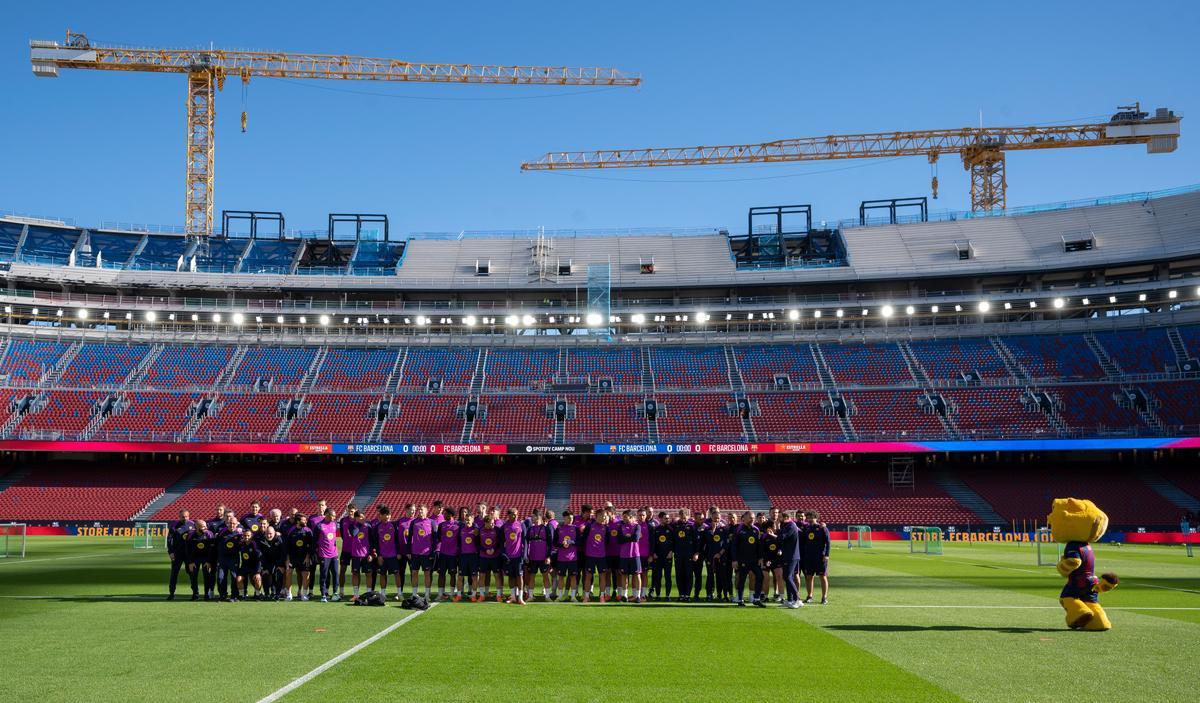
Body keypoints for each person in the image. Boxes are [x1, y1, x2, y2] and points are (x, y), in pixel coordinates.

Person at [731, 511, 765, 607]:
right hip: (742, 560)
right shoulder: (739, 529)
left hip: (754, 560)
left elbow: (759, 545)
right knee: (742, 579)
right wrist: (734, 560)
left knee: (760, 576)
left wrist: (760, 558)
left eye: (753, 518)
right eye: (750, 517)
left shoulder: (756, 530)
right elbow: (734, 546)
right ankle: (740, 600)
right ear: (744, 518)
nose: (752, 519)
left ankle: (756, 598)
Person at [801, 510, 830, 604]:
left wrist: (826, 555)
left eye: (811, 517)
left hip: (820, 557)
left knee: (823, 576)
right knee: (809, 577)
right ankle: (809, 596)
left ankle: (824, 597)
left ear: (816, 518)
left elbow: (828, 542)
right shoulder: (806, 528)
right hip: (809, 557)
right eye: (808, 517)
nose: (809, 519)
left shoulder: (822, 528)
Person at [372, 505, 401, 600]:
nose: (387, 517)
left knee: (397, 574)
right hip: (382, 556)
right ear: (380, 515)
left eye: (388, 515)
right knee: (382, 574)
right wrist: (379, 555)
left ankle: (399, 593)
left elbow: (397, 540)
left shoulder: (394, 525)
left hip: (393, 555)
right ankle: (383, 594)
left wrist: (398, 552)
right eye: (385, 515)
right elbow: (375, 543)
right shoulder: (376, 527)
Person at [776, 511, 803, 608]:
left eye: (780, 517)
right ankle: (790, 599)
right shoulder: (787, 526)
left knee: (787, 577)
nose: (778, 519)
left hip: (792, 556)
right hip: (788, 555)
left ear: (786, 517)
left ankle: (797, 599)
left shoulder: (791, 525)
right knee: (787, 577)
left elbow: (782, 537)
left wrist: (777, 528)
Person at [408, 505, 436, 599]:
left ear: (426, 511)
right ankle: (414, 594)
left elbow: (435, 539)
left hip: (427, 554)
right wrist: (409, 551)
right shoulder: (413, 522)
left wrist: (433, 552)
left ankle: (427, 594)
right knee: (414, 573)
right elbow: (409, 538)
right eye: (419, 509)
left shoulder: (431, 522)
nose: (420, 511)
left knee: (427, 574)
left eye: (422, 510)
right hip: (415, 553)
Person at [313, 507, 341, 603]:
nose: (334, 517)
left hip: (334, 554)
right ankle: (323, 595)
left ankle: (335, 593)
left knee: (335, 574)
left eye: (334, 516)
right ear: (327, 515)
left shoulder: (334, 524)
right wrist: (316, 554)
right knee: (324, 575)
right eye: (332, 515)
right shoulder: (319, 526)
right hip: (323, 555)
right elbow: (314, 541)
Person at [671, 509, 699, 603]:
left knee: (688, 575)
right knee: (679, 575)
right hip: (678, 554)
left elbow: (696, 541)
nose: (684, 516)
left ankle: (687, 595)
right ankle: (681, 594)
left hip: (689, 554)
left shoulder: (692, 526)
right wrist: (672, 551)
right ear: (679, 515)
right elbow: (672, 540)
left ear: (688, 515)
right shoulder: (675, 526)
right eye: (682, 514)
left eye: (685, 515)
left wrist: (696, 553)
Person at [525, 510, 553, 601]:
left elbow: (550, 544)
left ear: (538, 517)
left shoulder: (546, 528)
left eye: (533, 516)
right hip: (532, 557)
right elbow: (526, 542)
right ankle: (530, 596)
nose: (531, 518)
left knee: (545, 576)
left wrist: (548, 556)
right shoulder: (530, 529)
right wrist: (526, 555)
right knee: (532, 576)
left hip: (543, 557)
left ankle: (547, 596)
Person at [166, 509, 194, 601]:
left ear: (189, 516)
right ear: (179, 516)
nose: (185, 518)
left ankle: (195, 593)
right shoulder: (174, 525)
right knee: (174, 573)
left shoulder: (193, 524)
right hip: (177, 554)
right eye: (183, 516)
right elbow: (169, 540)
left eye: (186, 516)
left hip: (189, 554)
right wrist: (170, 552)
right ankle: (171, 593)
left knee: (191, 573)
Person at [344, 510, 372, 602]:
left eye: (364, 516)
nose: (363, 518)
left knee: (368, 574)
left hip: (366, 555)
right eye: (360, 517)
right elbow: (354, 533)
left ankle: (368, 594)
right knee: (355, 574)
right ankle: (356, 595)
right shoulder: (352, 526)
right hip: (355, 554)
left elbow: (373, 541)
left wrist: (371, 553)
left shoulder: (368, 526)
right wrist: (359, 524)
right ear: (356, 518)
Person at [617, 509, 644, 603]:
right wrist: (628, 537)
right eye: (623, 517)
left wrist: (627, 538)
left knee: (637, 575)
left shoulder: (637, 526)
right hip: (624, 555)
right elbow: (619, 540)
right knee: (624, 575)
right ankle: (624, 595)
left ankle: (637, 596)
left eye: (625, 517)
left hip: (635, 555)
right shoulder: (621, 527)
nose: (623, 518)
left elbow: (636, 538)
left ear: (631, 517)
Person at [286, 513, 314, 601]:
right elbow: (287, 546)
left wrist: (308, 556)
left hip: (304, 557)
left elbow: (311, 545)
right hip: (292, 557)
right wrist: (287, 559)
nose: (305, 521)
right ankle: (289, 594)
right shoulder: (291, 531)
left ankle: (304, 594)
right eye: (303, 520)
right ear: (298, 521)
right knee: (288, 573)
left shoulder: (308, 531)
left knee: (306, 574)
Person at [502, 508, 527, 605]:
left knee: (519, 576)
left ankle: (520, 598)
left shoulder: (521, 524)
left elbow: (525, 541)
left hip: (518, 556)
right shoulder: (505, 526)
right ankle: (513, 597)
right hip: (508, 557)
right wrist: (504, 554)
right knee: (511, 577)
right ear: (508, 515)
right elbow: (501, 541)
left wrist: (524, 554)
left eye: (516, 514)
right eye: (513, 514)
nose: (516, 516)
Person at [434, 508, 460, 600]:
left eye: (445, 514)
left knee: (453, 574)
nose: (443, 515)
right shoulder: (441, 525)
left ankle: (452, 594)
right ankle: (440, 594)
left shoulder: (458, 525)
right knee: (441, 574)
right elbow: (438, 538)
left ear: (451, 514)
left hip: (453, 555)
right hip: (443, 554)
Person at [215, 514, 243, 602]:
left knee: (234, 577)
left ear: (237, 524)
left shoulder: (240, 533)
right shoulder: (222, 532)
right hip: (222, 559)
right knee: (220, 577)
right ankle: (222, 595)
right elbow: (216, 543)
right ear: (227, 523)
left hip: (234, 559)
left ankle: (234, 596)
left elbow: (246, 540)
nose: (232, 525)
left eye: (234, 523)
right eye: (230, 523)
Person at [554, 510, 580, 601]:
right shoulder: (559, 528)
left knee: (573, 577)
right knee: (561, 577)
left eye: (572, 518)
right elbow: (555, 543)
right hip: (561, 558)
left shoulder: (576, 528)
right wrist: (562, 545)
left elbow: (579, 542)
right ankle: (560, 596)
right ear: (564, 518)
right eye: (568, 518)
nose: (570, 519)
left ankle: (573, 596)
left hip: (573, 558)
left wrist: (570, 542)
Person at [186, 518, 214, 601]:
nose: (206, 528)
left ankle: (206, 594)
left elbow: (212, 549)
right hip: (194, 559)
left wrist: (209, 561)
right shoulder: (190, 535)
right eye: (203, 527)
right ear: (197, 527)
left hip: (206, 558)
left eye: (206, 526)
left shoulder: (209, 534)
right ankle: (195, 594)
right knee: (193, 576)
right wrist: (190, 562)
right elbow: (187, 549)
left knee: (207, 576)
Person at [477, 515, 502, 602]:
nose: (492, 525)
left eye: (493, 523)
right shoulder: (480, 530)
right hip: (483, 557)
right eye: (490, 524)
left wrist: (494, 549)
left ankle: (499, 595)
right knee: (482, 576)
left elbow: (500, 542)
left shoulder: (497, 529)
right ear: (485, 523)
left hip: (495, 557)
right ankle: (482, 595)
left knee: (497, 575)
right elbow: (477, 543)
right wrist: (485, 550)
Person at [456, 507, 479, 602]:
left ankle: (473, 595)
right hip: (463, 556)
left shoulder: (476, 529)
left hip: (473, 556)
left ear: (473, 519)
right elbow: (458, 542)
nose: (467, 522)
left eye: (469, 520)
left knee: (474, 577)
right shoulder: (461, 529)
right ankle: (458, 595)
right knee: (460, 576)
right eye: (466, 520)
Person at [649, 511, 673, 601]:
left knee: (668, 576)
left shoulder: (671, 529)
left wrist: (671, 551)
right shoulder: (656, 529)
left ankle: (667, 595)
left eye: (668, 518)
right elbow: (653, 543)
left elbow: (674, 542)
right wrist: (653, 553)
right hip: (658, 557)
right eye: (666, 518)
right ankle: (658, 595)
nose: (668, 520)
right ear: (661, 519)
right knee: (657, 576)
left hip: (668, 556)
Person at [259, 524, 286, 600]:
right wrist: (265, 567)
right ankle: (267, 594)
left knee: (279, 574)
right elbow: (262, 555)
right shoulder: (262, 541)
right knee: (265, 574)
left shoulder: (279, 540)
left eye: (270, 533)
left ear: (274, 533)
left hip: (279, 563)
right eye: (267, 533)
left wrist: (280, 565)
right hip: (268, 563)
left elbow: (283, 554)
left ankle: (277, 594)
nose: (269, 535)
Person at [337, 502, 359, 598]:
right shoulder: (343, 521)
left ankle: (355, 593)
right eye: (349, 511)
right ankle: (341, 591)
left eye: (353, 511)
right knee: (342, 570)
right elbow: (342, 534)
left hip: (355, 550)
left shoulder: (358, 521)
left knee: (355, 572)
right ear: (347, 511)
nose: (351, 513)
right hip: (346, 549)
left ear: (356, 511)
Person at [236, 529, 263, 600]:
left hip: (255, 566)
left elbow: (259, 558)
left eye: (248, 535)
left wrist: (257, 571)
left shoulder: (254, 545)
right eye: (245, 535)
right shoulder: (241, 544)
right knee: (239, 579)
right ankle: (242, 595)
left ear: (251, 536)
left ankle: (257, 594)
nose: (246, 537)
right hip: (245, 566)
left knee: (257, 578)